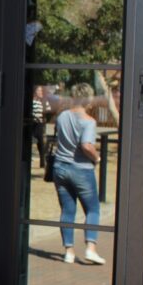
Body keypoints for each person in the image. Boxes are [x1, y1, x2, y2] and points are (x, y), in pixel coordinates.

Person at [52, 82, 105, 265]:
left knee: (67, 209)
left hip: (60, 167)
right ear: (88, 99)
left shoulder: (62, 117)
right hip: (81, 169)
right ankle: (91, 248)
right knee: (92, 209)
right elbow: (86, 146)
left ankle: (69, 252)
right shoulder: (89, 121)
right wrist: (97, 158)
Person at [31, 85, 48, 168]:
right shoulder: (32, 102)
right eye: (39, 90)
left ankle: (42, 163)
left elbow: (48, 111)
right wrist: (34, 117)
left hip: (40, 125)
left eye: (41, 91)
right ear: (35, 92)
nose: (41, 92)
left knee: (41, 144)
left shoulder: (43, 102)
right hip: (33, 125)